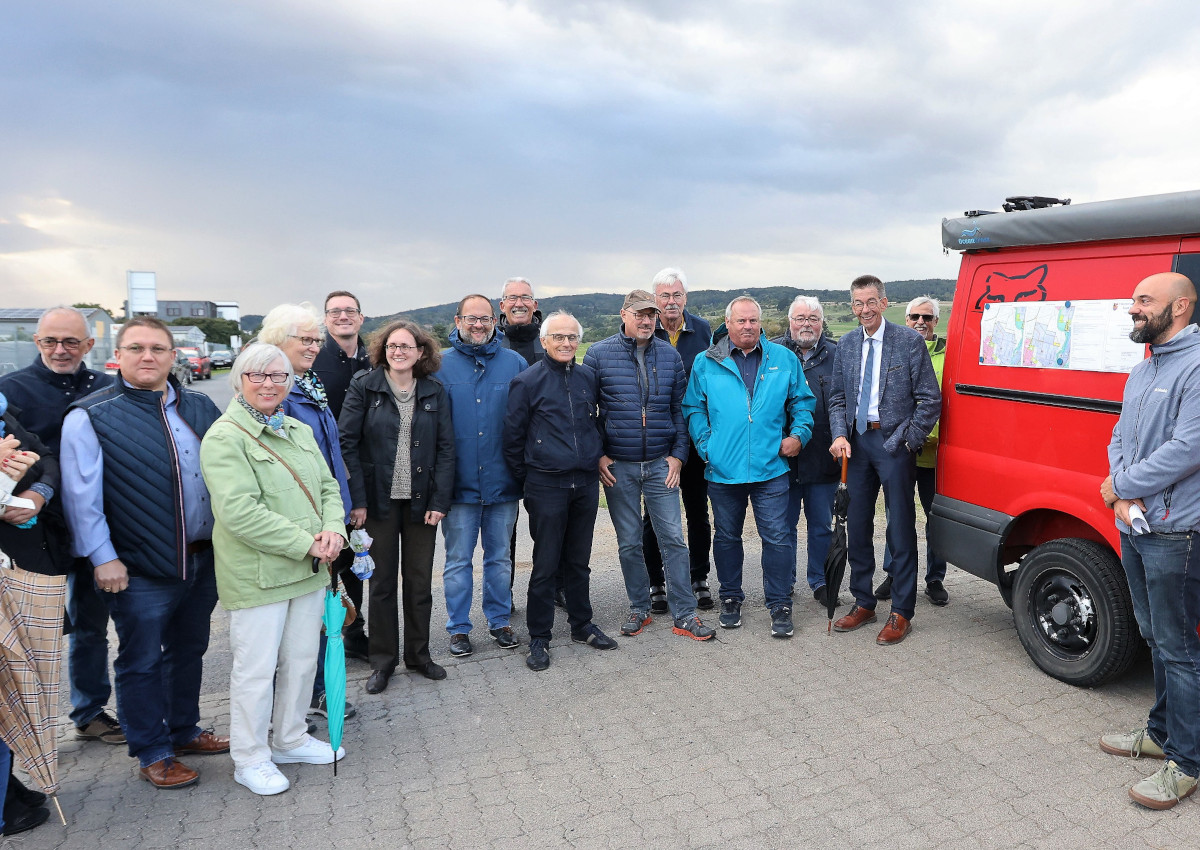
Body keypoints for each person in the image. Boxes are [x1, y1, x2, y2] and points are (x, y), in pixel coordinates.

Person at [60, 317, 229, 789]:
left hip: (201, 556)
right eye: (136, 348)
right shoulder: (91, 415)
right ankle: (153, 750)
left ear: (174, 355)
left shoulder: (198, 405)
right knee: (140, 660)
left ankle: (184, 730)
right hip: (137, 566)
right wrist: (101, 557)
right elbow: (81, 498)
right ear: (118, 356)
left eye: (158, 348)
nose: (148, 356)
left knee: (189, 649)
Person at [201, 344, 348, 796]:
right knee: (256, 671)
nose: (268, 384)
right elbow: (239, 513)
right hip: (260, 576)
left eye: (278, 377)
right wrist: (309, 543)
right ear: (239, 380)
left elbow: (327, 487)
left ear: (289, 383)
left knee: (302, 662)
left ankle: (289, 738)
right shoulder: (225, 437)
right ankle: (249, 758)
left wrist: (334, 530)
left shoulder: (298, 429)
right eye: (257, 376)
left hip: (307, 571)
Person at [1099, 271, 1200, 810]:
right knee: (1153, 634)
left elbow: (1188, 449)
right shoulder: (1144, 369)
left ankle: (1186, 761)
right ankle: (1161, 733)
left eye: (1144, 300)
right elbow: (1120, 435)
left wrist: (1122, 486)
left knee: (1179, 647)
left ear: (1179, 306)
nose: (1132, 307)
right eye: (1134, 298)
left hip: (1175, 531)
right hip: (1134, 524)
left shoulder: (1196, 367)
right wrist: (1118, 494)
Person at [0, 307, 119, 746]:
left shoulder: (108, 388)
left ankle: (89, 711)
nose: (60, 350)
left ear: (89, 345)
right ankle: (33, 727)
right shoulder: (9, 391)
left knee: (92, 624)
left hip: (93, 527)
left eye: (71, 342)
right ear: (36, 342)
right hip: (33, 532)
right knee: (36, 635)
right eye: (50, 341)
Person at [583, 290, 714, 642]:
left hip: (661, 465)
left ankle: (684, 614)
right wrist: (599, 455)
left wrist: (678, 455)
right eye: (640, 314)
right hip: (618, 467)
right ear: (624, 314)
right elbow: (587, 412)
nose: (647, 321)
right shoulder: (598, 354)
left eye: (652, 315)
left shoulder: (670, 356)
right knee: (628, 543)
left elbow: (680, 411)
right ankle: (639, 607)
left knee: (673, 538)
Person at [683, 296, 814, 639]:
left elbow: (803, 402)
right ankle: (730, 598)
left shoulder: (783, 359)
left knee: (778, 537)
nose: (747, 327)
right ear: (727, 324)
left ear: (761, 323)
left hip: (771, 467)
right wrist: (706, 446)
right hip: (723, 469)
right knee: (727, 537)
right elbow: (693, 407)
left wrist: (799, 435)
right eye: (740, 321)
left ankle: (780, 603)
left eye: (753, 321)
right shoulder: (706, 362)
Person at [339, 320, 454, 693]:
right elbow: (347, 444)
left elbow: (446, 449)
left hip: (422, 504)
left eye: (407, 346)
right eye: (392, 346)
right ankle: (382, 662)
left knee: (420, 583)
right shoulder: (364, 386)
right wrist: (356, 501)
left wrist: (440, 501)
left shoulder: (435, 391)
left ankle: (419, 656)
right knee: (382, 584)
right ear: (382, 350)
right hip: (377, 503)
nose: (399, 352)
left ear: (421, 352)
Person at [257, 303, 357, 721]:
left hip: (327, 518)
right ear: (278, 340)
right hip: (300, 526)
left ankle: (314, 692)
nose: (316, 346)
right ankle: (295, 703)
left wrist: (345, 508)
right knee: (294, 622)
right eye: (307, 339)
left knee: (318, 613)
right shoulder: (272, 390)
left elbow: (330, 455)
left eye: (318, 339)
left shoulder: (310, 384)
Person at [828, 276, 941, 646]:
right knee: (857, 526)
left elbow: (929, 399)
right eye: (858, 304)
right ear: (852, 307)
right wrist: (839, 434)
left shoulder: (908, 341)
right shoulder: (845, 345)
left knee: (900, 528)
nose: (865, 310)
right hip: (856, 445)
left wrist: (907, 442)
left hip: (893, 445)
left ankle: (902, 611)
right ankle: (863, 603)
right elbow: (837, 399)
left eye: (871, 302)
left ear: (884, 302)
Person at [503, 311, 619, 671]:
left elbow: (594, 422)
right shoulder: (527, 381)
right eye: (559, 337)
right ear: (544, 340)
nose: (566, 343)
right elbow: (512, 437)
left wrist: (595, 454)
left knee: (578, 562)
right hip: (545, 484)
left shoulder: (587, 376)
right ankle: (539, 637)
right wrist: (532, 477)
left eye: (572, 337)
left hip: (584, 482)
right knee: (546, 564)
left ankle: (582, 625)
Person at [437, 295, 526, 657]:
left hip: (503, 482)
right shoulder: (439, 366)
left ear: (496, 321)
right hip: (458, 487)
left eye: (485, 319)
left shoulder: (515, 363)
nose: (478, 325)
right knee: (458, 560)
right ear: (457, 320)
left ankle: (500, 621)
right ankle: (458, 628)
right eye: (471, 319)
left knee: (499, 557)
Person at [644, 268, 715, 612]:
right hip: (658, 439)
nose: (671, 302)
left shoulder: (703, 330)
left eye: (677, 295)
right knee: (654, 515)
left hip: (695, 437)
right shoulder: (645, 329)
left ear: (686, 297)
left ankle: (698, 577)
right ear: (654, 300)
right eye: (664, 296)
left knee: (698, 512)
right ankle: (656, 582)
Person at [875, 297, 950, 606]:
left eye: (928, 317)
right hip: (900, 453)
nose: (921, 321)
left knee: (936, 520)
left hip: (935, 456)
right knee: (897, 518)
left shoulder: (950, 356)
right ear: (906, 320)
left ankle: (935, 578)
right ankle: (894, 575)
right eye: (915, 316)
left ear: (936, 321)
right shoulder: (893, 352)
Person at [312, 290, 371, 660]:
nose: (343, 316)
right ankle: (330, 635)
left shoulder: (373, 358)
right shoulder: (313, 359)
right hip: (326, 475)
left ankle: (355, 630)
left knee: (356, 555)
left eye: (350, 311)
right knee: (329, 558)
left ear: (361, 318)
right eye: (336, 312)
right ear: (326, 319)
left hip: (367, 472)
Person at [771, 296, 841, 607]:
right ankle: (784, 582)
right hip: (781, 460)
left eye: (813, 318)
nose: (806, 324)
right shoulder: (771, 352)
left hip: (823, 459)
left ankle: (821, 580)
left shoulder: (837, 355)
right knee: (782, 528)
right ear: (790, 321)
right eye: (800, 318)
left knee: (821, 526)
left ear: (821, 322)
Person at [496, 277, 558, 605]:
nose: (519, 303)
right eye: (512, 298)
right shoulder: (491, 343)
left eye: (525, 298)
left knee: (548, 527)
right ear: (502, 305)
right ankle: (502, 595)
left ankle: (554, 588)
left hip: (545, 454)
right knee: (503, 532)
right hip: (502, 451)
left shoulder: (549, 340)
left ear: (535, 304)